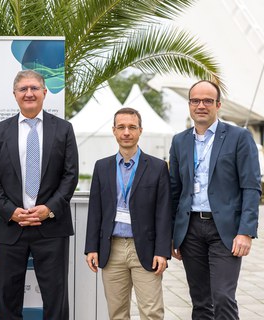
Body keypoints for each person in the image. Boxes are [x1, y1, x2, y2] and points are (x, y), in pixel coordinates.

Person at [0, 70, 79, 320]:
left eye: (34, 88)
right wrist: (9, 211)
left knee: (56, 299)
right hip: (11, 227)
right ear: (14, 95)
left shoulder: (64, 130)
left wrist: (49, 209)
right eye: (23, 89)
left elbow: (70, 175)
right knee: (7, 298)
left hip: (52, 227)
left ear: (45, 93)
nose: (29, 93)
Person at [169, 80, 261, 319]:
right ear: (189, 105)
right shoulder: (179, 141)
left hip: (226, 231)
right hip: (190, 231)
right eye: (196, 101)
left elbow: (251, 187)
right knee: (200, 302)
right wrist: (173, 233)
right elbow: (174, 190)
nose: (201, 105)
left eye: (208, 101)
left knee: (222, 297)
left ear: (218, 105)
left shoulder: (239, 137)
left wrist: (246, 232)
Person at [84, 107, 172, 319]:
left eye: (132, 127)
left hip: (146, 249)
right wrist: (91, 248)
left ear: (140, 130)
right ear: (114, 131)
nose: (126, 132)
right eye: (121, 127)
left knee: (152, 312)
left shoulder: (157, 167)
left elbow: (164, 212)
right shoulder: (102, 167)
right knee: (117, 313)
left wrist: (162, 251)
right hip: (111, 248)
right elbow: (95, 210)